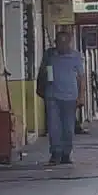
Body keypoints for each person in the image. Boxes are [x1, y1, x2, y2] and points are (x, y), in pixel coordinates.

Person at [40, 31, 87, 165]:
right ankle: (55, 153)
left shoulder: (76, 57)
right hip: (52, 96)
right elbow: (44, 72)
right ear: (55, 43)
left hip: (70, 97)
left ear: (70, 43)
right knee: (54, 126)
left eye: (65, 43)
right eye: (59, 42)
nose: (62, 46)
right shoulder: (49, 55)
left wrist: (81, 96)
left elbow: (81, 77)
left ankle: (66, 153)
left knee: (68, 127)